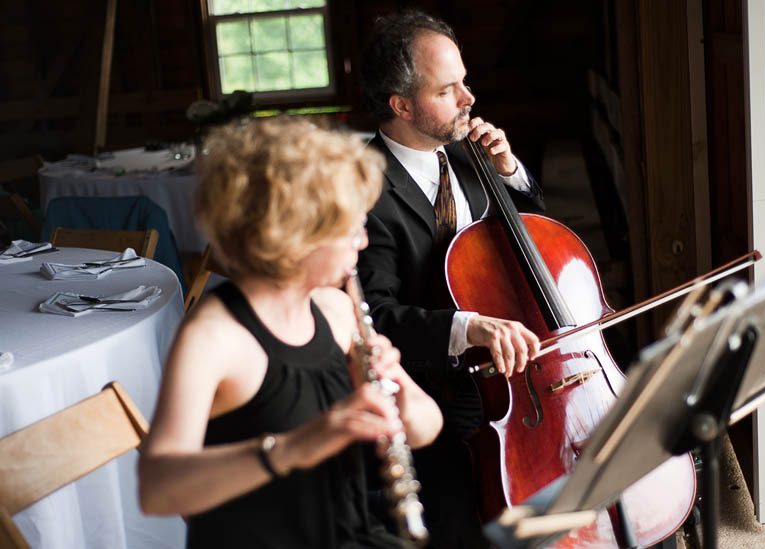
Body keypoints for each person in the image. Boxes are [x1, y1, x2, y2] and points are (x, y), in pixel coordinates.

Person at [138, 118, 443, 548]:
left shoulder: (338, 309)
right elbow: (156, 489)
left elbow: (426, 428)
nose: (363, 240)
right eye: (350, 227)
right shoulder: (212, 337)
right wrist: (290, 448)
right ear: (294, 237)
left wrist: (399, 391)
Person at [358, 9, 546, 547]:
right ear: (402, 105)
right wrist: (468, 328)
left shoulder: (473, 154)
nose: (468, 99)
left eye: (464, 81)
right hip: (436, 394)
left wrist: (512, 174)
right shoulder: (364, 190)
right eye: (448, 90)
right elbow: (375, 317)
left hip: (521, 370)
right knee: (470, 526)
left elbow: (537, 240)